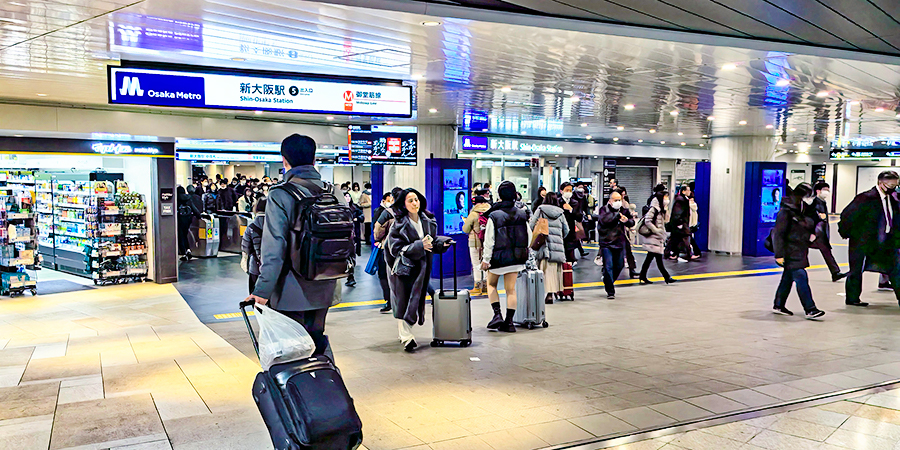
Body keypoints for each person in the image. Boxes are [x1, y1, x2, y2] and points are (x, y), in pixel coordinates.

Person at [243, 134, 349, 360]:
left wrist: (261, 291)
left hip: (292, 287)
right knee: (317, 338)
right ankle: (326, 386)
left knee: (293, 349)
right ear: (314, 159)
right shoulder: (334, 192)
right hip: (327, 281)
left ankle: (302, 391)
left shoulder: (281, 194)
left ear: (284, 160)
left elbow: (274, 249)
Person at [839, 170, 900, 308]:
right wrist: (847, 233)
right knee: (856, 270)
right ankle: (852, 298)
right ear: (880, 183)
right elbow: (847, 215)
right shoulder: (865, 198)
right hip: (863, 241)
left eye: (895, 186)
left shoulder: (894, 199)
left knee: (896, 269)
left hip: (887, 240)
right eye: (890, 186)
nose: (893, 189)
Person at [386, 188, 437, 352]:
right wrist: (418, 246)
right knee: (403, 301)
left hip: (422, 270)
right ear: (403, 204)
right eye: (410, 201)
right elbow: (395, 248)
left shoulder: (428, 220)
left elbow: (432, 241)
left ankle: (405, 335)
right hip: (404, 269)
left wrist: (440, 243)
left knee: (413, 299)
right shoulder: (398, 224)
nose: (415, 203)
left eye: (416, 199)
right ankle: (407, 337)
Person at [481, 181, 530, 333]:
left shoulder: (494, 216)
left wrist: (486, 260)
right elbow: (529, 236)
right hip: (516, 258)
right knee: (511, 290)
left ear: (499, 196)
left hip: (498, 259)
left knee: (491, 285)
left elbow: (489, 240)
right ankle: (509, 322)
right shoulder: (522, 214)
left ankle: (497, 315)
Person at [772, 183, 825, 319]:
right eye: (808, 197)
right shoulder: (786, 211)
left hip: (800, 248)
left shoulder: (806, 209)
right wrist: (779, 255)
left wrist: (813, 233)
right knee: (801, 276)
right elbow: (778, 233)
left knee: (787, 278)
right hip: (790, 250)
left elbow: (815, 223)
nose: (811, 199)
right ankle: (810, 309)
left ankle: (779, 305)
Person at [595, 189, 634, 299]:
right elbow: (604, 220)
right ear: (610, 201)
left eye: (619, 200)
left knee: (619, 265)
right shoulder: (604, 209)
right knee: (608, 266)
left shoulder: (624, 210)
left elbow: (632, 222)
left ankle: (608, 280)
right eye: (616, 200)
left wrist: (626, 221)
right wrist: (617, 216)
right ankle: (610, 291)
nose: (618, 202)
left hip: (619, 242)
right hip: (606, 242)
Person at [531, 191, 568, 304]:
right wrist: (559, 238)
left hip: (543, 245)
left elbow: (532, 225)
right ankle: (550, 294)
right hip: (557, 247)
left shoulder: (540, 210)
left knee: (542, 269)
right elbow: (566, 230)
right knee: (553, 270)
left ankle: (539, 294)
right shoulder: (560, 213)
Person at [807, 182, 846, 282]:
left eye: (828, 190)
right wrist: (812, 232)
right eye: (825, 190)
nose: (827, 192)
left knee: (827, 252)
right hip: (816, 233)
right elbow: (811, 218)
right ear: (818, 191)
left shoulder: (822, 202)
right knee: (823, 251)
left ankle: (835, 272)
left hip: (820, 233)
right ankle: (835, 272)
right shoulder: (814, 202)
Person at [638, 190, 675, 285]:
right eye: (665, 198)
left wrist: (666, 209)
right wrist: (655, 230)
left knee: (650, 258)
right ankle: (667, 277)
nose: (667, 200)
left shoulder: (662, 209)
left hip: (658, 237)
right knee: (658, 258)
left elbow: (667, 221)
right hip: (653, 236)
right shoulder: (654, 209)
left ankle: (642, 276)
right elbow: (647, 221)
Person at [372, 191, 397, 313]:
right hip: (404, 248)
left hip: (386, 247)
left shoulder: (387, 213)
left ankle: (389, 301)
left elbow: (378, 231)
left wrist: (377, 239)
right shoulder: (408, 213)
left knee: (383, 275)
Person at [462, 196, 491, 295]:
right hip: (487, 242)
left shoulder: (473, 214)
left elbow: (465, 229)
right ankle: (487, 285)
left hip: (475, 242)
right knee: (486, 263)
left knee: (476, 264)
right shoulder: (490, 212)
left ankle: (478, 286)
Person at [241, 198, 267, 293]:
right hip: (272, 266)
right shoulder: (276, 226)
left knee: (254, 293)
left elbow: (246, 247)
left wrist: (244, 260)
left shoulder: (251, 227)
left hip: (255, 266)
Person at [665, 184, 693, 262]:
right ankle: (688, 254)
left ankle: (672, 254)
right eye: (688, 190)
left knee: (675, 239)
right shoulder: (681, 200)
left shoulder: (682, 199)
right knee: (685, 238)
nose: (690, 192)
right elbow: (677, 213)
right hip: (681, 224)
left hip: (679, 224)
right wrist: (679, 223)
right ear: (683, 191)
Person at [560, 182, 584, 263]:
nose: (569, 192)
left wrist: (571, 210)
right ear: (561, 191)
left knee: (570, 258)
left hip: (570, 232)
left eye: (570, 190)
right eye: (567, 190)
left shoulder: (575, 203)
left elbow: (579, 217)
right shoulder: (557, 202)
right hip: (559, 232)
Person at [176, 186, 201, 261]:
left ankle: (183, 253)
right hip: (188, 219)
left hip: (180, 219)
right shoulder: (188, 198)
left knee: (180, 236)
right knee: (185, 235)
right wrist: (199, 216)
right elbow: (194, 208)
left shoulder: (177, 198)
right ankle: (188, 250)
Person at [619, 186, 639, 278]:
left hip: (623, 233)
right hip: (611, 235)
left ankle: (632, 269)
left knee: (628, 252)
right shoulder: (607, 209)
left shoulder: (624, 208)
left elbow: (631, 221)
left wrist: (627, 221)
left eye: (623, 195)